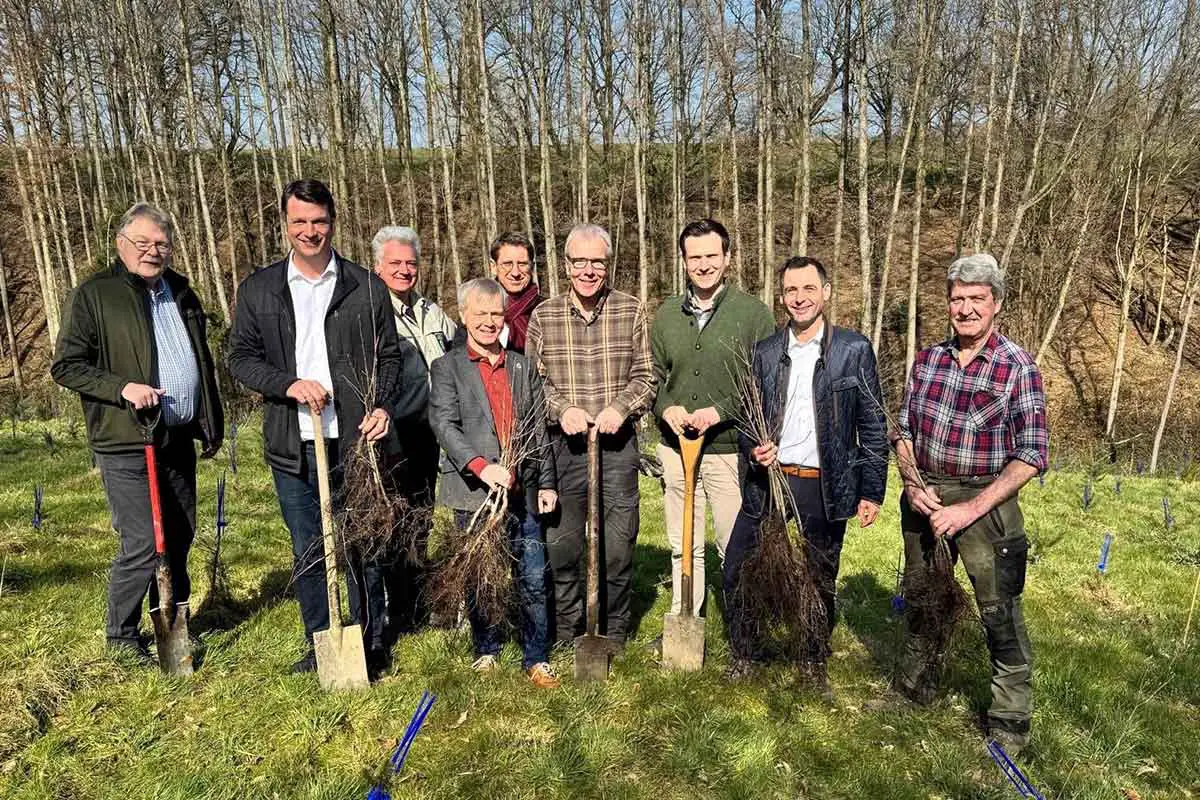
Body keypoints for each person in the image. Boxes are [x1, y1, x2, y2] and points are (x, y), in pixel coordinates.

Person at [227, 179, 408, 678]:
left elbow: (388, 358)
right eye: (300, 221)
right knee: (308, 547)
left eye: (319, 221)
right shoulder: (260, 289)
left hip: (353, 440)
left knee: (360, 543)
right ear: (285, 224)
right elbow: (239, 358)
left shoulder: (364, 286)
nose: (310, 231)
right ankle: (321, 642)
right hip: (293, 442)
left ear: (333, 222)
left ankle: (371, 642)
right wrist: (289, 384)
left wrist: (382, 405)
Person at [51, 202, 223, 663]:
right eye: (142, 243)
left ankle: (172, 619)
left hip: (176, 436)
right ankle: (121, 636)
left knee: (181, 533)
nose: (153, 251)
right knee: (145, 541)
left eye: (161, 244)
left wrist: (208, 419)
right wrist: (121, 387)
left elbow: (200, 362)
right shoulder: (94, 295)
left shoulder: (181, 292)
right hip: (127, 439)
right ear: (121, 245)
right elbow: (67, 366)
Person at [892, 252, 1047, 756]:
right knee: (924, 598)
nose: (965, 309)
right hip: (926, 494)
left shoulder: (1016, 367)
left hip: (986, 504)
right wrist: (913, 485)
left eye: (976, 300)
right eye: (957, 299)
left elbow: (1031, 455)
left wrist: (971, 508)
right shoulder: (929, 360)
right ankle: (916, 689)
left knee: (998, 610)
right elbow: (904, 431)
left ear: (996, 304)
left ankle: (1008, 721)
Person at [724, 256, 887, 694]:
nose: (800, 298)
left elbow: (872, 424)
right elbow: (744, 419)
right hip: (772, 482)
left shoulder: (853, 351)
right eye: (792, 290)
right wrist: (753, 448)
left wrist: (871, 490)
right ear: (782, 297)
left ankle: (813, 659)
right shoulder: (765, 353)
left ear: (827, 292)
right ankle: (746, 651)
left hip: (824, 482)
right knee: (739, 565)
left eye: (809, 289)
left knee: (820, 575)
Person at [525, 223, 656, 646]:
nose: (588, 270)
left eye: (597, 262)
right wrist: (563, 410)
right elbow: (532, 383)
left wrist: (620, 408)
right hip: (564, 449)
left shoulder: (629, 309)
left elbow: (646, 377)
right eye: (579, 261)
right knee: (563, 546)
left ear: (608, 265)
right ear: (565, 266)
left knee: (617, 544)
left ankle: (613, 630)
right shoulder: (543, 316)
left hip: (616, 448)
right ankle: (568, 630)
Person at [429, 278, 560, 688]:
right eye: (480, 313)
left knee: (534, 575)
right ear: (464, 315)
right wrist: (481, 466)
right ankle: (486, 649)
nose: (488, 321)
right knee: (481, 574)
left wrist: (547, 483)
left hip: (523, 490)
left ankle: (536, 656)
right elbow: (444, 425)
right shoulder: (447, 367)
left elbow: (539, 428)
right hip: (474, 493)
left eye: (495, 313)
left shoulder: (521, 366)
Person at [650, 218, 775, 631]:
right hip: (676, 448)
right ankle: (684, 617)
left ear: (727, 258)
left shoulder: (754, 315)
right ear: (684, 262)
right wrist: (667, 408)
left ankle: (743, 627)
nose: (703, 265)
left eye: (711, 256)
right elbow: (652, 375)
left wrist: (718, 412)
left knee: (733, 544)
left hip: (727, 450)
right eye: (694, 257)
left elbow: (764, 381)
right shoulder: (667, 313)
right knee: (682, 545)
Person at [370, 226, 445, 638]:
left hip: (426, 434)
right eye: (395, 263)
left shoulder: (432, 313)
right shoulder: (369, 313)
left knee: (420, 515)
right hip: (389, 433)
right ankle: (387, 605)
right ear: (378, 266)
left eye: (411, 263)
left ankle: (413, 601)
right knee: (389, 517)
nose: (404, 270)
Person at [451, 231, 545, 354]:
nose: (515, 272)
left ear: (532, 267)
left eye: (522, 264)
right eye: (507, 264)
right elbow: (460, 358)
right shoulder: (476, 309)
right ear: (493, 267)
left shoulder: (545, 310)